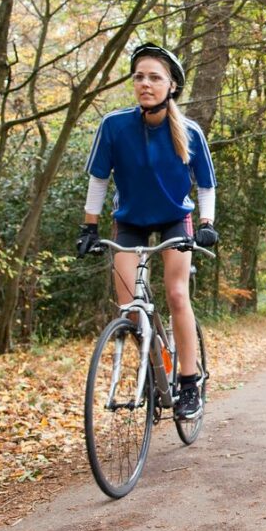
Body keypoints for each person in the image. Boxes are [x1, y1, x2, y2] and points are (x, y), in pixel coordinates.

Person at [75, 42, 219, 420]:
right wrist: (89, 227)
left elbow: (205, 185)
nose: (145, 83)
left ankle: (189, 383)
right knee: (130, 309)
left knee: (175, 294)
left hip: (175, 218)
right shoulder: (114, 126)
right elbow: (98, 179)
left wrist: (207, 224)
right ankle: (154, 372)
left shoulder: (189, 131)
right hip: (131, 221)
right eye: (139, 76)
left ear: (171, 85)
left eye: (155, 77)